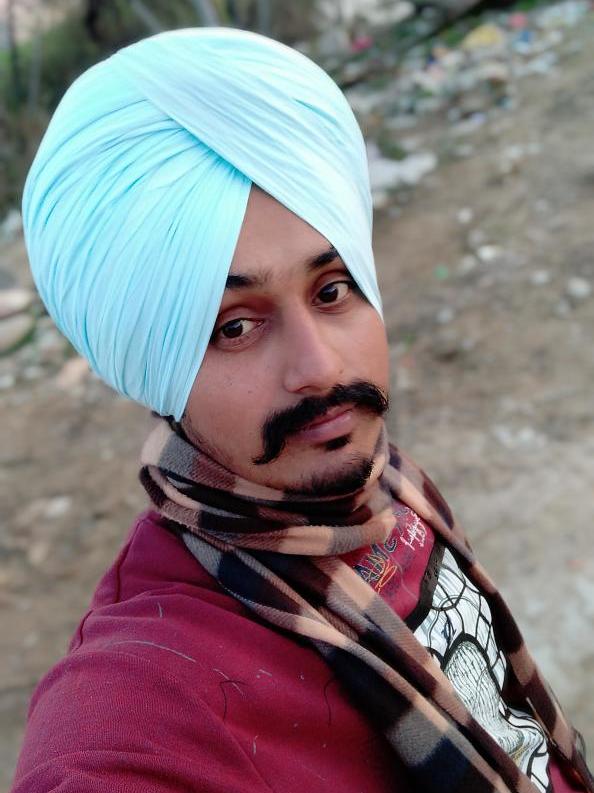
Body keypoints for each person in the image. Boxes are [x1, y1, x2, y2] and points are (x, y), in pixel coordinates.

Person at [11, 26, 592, 793]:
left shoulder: (382, 484)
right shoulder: (145, 702)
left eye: (332, 289)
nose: (320, 369)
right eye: (235, 327)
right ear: (155, 364)